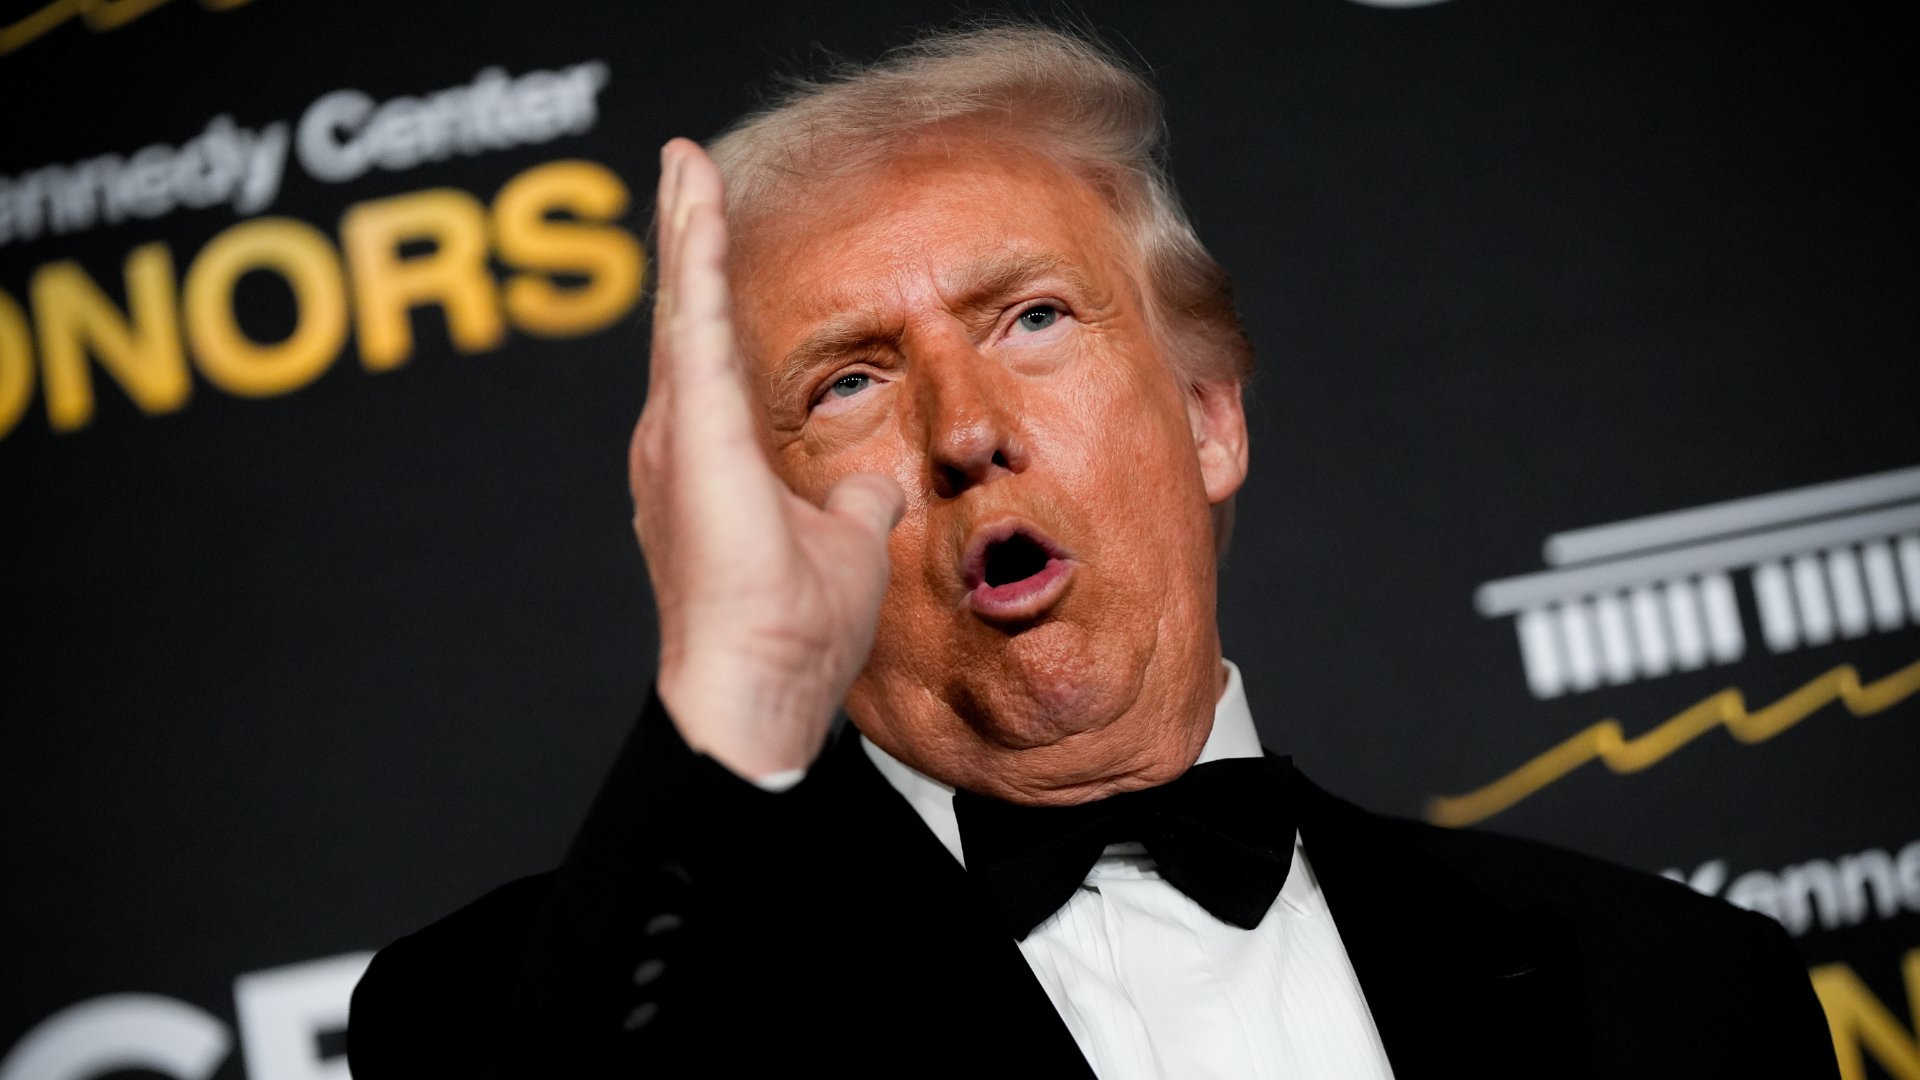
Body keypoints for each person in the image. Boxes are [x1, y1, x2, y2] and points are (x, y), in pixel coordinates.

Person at [348, 26, 1838, 1080]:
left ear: (1207, 416)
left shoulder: (1682, 992)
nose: (965, 429)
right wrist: (726, 709)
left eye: (1033, 317)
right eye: (849, 380)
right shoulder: (506, 1011)